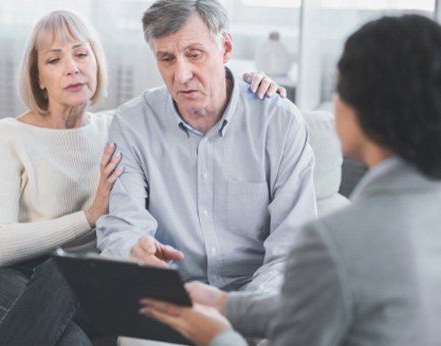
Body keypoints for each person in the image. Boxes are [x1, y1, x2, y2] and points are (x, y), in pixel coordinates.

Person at [0, 9, 282, 345]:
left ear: (96, 62)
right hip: (0, 280)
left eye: (82, 54)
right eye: (54, 60)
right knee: (63, 275)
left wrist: (246, 82)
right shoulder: (7, 136)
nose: (73, 67)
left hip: (80, 286)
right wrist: (89, 217)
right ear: (38, 77)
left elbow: (196, 84)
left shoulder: (119, 128)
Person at [138, 14, 441, 346]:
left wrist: (216, 336)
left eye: (337, 88)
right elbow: (318, 308)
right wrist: (227, 305)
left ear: (368, 109)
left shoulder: (334, 241)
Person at [96, 0, 317, 297]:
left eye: (194, 55)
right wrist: (133, 251)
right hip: (173, 297)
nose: (181, 75)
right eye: (166, 58)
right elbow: (123, 227)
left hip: (259, 297)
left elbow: (292, 250)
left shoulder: (279, 122)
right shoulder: (132, 124)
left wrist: (237, 311)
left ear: (225, 48)